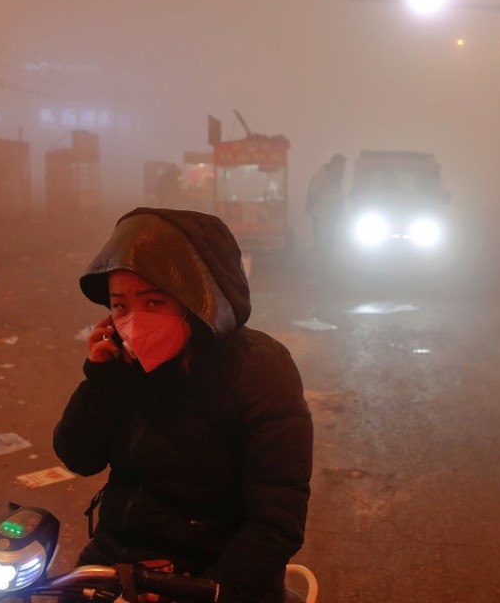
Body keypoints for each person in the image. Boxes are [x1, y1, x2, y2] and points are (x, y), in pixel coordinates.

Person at [53, 207, 313, 603]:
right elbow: (78, 456)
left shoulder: (259, 369)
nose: (134, 322)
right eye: (120, 305)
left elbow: (276, 522)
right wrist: (102, 381)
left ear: (199, 301)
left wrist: (205, 590)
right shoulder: (125, 366)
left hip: (213, 577)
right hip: (116, 561)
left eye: (154, 302)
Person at [305, 153, 345, 254]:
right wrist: (334, 198)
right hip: (321, 214)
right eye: (342, 166)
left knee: (329, 243)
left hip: (329, 215)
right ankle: (321, 265)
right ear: (336, 165)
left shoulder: (334, 176)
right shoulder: (322, 175)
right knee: (322, 243)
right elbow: (315, 194)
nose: (344, 169)